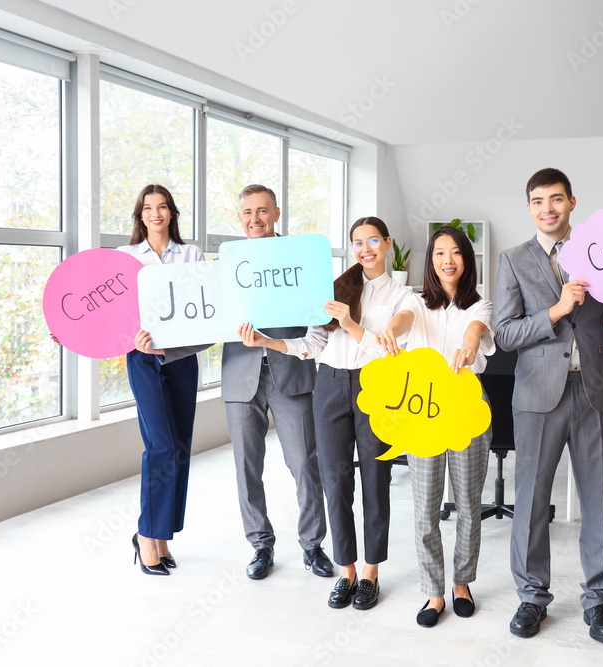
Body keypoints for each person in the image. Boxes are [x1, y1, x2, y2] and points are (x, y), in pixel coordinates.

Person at [494, 168, 603, 642]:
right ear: (529, 208)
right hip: (537, 397)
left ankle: (599, 601)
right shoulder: (513, 260)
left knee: (597, 501)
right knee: (530, 498)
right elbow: (505, 334)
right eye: (539, 200)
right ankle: (530, 597)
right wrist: (556, 311)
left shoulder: (600, 254)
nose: (548, 208)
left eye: (557, 199)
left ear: (572, 202)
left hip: (593, 391)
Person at [148, 184, 332, 581]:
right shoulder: (225, 264)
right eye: (247, 212)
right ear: (239, 217)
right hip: (239, 378)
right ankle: (261, 545)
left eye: (262, 211)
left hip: (292, 376)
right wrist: (165, 349)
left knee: (304, 464)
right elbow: (208, 322)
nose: (255, 219)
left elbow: (319, 325)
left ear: (277, 213)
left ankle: (313, 546)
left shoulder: (299, 260)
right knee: (246, 468)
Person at [239, 216, 411, 611]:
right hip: (329, 386)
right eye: (357, 243)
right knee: (333, 480)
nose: (365, 249)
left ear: (387, 243)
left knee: (375, 477)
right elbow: (312, 344)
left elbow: (387, 351)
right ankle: (347, 570)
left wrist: (350, 322)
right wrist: (266, 341)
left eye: (372, 241)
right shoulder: (336, 289)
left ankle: (371, 573)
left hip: (375, 386)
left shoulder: (403, 297)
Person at [378, 225, 494, 628]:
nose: (448, 260)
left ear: (467, 259)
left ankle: (462, 583)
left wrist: (471, 343)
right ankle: (434, 592)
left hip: (467, 414)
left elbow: (476, 330)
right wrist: (392, 331)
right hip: (422, 416)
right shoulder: (415, 301)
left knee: (467, 505)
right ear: (430, 260)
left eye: (456, 252)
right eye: (440, 252)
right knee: (425, 510)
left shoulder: (480, 304)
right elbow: (404, 318)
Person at [118, 184, 203, 576]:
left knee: (180, 448)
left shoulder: (191, 254)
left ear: (172, 213)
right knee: (160, 446)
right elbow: (110, 314)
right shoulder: (124, 258)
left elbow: (204, 307)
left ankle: (163, 535)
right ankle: (146, 535)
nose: (155, 213)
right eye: (148, 208)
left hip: (181, 359)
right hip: (142, 359)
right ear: (140, 215)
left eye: (162, 207)